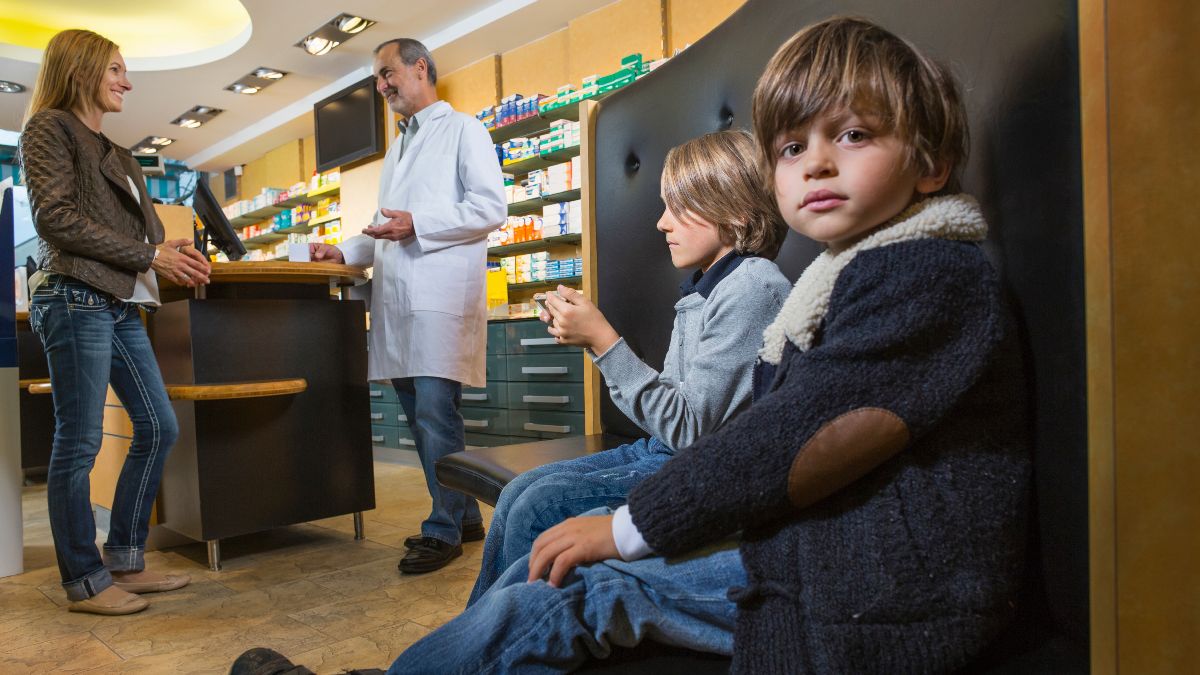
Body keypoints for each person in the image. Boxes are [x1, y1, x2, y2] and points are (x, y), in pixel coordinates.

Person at [234, 16, 1031, 674]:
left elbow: (782, 438)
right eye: (791, 147)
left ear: (931, 164)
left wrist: (625, 525)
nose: (815, 160)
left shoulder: (926, 276)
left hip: (879, 588)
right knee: (540, 559)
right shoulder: (846, 278)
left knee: (578, 584)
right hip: (826, 549)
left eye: (853, 134)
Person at [467, 129, 791, 605]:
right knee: (520, 491)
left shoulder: (753, 288)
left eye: (679, 207)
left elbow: (690, 432)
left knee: (540, 504)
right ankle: (486, 631)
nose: (662, 223)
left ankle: (510, 634)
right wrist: (594, 339)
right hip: (661, 450)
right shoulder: (706, 286)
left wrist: (603, 341)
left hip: (698, 467)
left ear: (736, 210)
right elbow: (674, 415)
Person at [20, 29, 209, 615]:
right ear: (81, 69)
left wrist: (164, 243)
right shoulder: (47, 128)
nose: (127, 81)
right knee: (79, 441)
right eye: (116, 70)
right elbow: (56, 219)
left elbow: (138, 236)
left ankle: (124, 559)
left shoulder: (121, 153)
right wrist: (150, 254)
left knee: (158, 427)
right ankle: (83, 580)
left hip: (119, 302)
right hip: (74, 297)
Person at [308, 38, 506, 574]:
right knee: (422, 421)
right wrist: (343, 251)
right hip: (398, 307)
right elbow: (382, 228)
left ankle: (442, 528)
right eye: (377, 79)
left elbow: (491, 207)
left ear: (421, 68)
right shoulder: (397, 149)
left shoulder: (465, 129)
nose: (382, 86)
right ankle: (463, 517)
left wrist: (419, 224)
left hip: (439, 300)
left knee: (437, 416)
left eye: (387, 73)